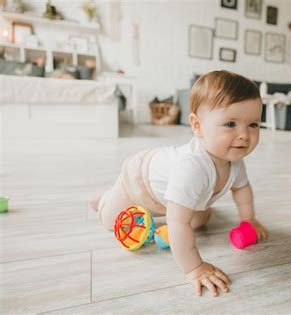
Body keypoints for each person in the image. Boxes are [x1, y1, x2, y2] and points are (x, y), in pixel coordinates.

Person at [90, 70, 267, 297]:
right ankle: (105, 199)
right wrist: (194, 268)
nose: (244, 135)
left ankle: (169, 208)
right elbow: (177, 224)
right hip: (140, 182)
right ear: (197, 126)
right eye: (230, 124)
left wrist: (248, 220)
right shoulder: (192, 168)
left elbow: (242, 190)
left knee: (201, 219)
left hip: (172, 193)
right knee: (110, 220)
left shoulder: (235, 160)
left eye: (253, 125)